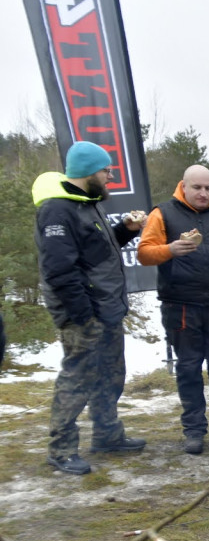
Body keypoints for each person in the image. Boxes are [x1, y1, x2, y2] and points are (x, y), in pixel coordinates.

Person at [32, 141, 147, 475]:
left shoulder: (88, 204)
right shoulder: (58, 210)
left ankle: (108, 434)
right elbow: (59, 270)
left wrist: (125, 230)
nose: (110, 175)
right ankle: (61, 449)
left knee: (110, 375)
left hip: (106, 309)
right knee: (78, 379)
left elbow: (96, 254)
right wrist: (84, 317)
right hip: (85, 315)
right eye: (105, 170)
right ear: (87, 172)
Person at [138, 165, 209, 454]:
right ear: (184, 186)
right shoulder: (162, 214)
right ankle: (194, 432)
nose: (203, 193)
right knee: (188, 370)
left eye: (208, 188)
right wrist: (170, 250)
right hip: (180, 307)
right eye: (197, 187)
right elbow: (144, 253)